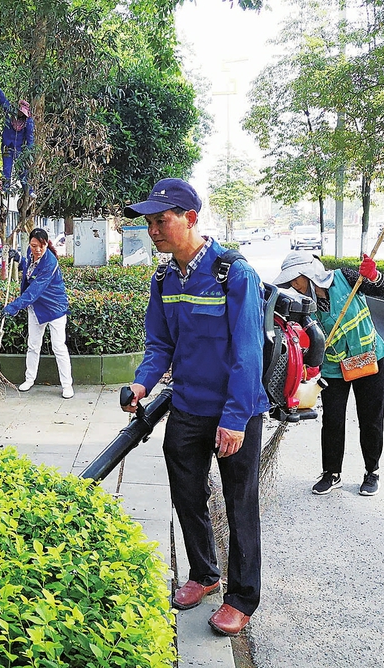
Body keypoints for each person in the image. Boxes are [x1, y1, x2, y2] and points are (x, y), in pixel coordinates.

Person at [122, 178, 269, 637]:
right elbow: (160, 343)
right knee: (187, 494)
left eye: (161, 221)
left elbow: (248, 355)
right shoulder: (164, 278)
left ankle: (242, 598)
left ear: (190, 218)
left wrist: (234, 419)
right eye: (149, 223)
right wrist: (142, 383)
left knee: (239, 504)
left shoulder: (233, 273)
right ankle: (204, 574)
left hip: (235, 410)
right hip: (186, 406)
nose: (154, 231)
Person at [273, 251, 384, 496]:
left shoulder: (346, 278)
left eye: (296, 279)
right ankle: (331, 473)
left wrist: (374, 276)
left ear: (309, 273)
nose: (294, 284)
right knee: (333, 420)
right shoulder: (302, 303)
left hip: (368, 359)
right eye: (291, 281)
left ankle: (372, 471)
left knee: (370, 419)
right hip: (333, 368)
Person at [3, 228, 73, 399]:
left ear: (46, 244)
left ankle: (67, 385)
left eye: (41, 246)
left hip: (55, 308)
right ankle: (29, 379)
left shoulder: (50, 262)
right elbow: (28, 268)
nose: (37, 249)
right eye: (34, 245)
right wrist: (19, 259)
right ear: (30, 244)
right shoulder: (30, 251)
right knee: (33, 345)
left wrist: (14, 306)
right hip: (35, 307)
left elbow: (34, 290)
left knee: (58, 347)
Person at [0, 78, 34, 195]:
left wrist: (29, 154)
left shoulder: (28, 122)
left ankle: (28, 190)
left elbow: (30, 139)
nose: (21, 114)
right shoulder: (10, 113)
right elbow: (3, 101)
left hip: (19, 148)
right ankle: (4, 188)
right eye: (20, 111)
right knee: (7, 169)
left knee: (22, 171)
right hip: (7, 146)